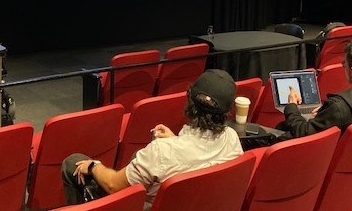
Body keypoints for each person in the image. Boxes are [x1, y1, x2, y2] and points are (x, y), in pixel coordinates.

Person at [61, 69, 243, 209]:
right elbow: (199, 160)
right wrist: (174, 140)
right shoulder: (232, 139)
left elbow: (112, 185)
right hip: (199, 204)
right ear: (226, 113)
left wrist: (94, 166)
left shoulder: (161, 152)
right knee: (136, 158)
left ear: (189, 102)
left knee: (72, 163)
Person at [276, 39, 352, 138]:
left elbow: (303, 132)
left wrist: (291, 107)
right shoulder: (338, 107)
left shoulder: (339, 106)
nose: (344, 67)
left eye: (344, 64)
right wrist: (326, 112)